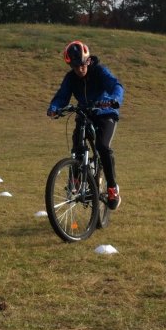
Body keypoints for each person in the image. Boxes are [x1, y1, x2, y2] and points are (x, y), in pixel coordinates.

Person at [47, 40, 125, 210]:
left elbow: (116, 86)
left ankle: (113, 189)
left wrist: (113, 100)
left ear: (88, 61)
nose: (79, 69)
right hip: (85, 113)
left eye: (82, 64)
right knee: (77, 143)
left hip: (105, 113)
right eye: (75, 67)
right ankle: (75, 177)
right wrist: (54, 108)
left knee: (102, 146)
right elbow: (62, 96)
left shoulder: (100, 71)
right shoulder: (70, 78)